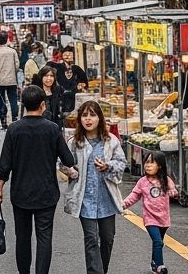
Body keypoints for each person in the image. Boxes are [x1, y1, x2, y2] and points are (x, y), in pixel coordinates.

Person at [0, 85, 79, 274]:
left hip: (20, 193)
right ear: (42, 104)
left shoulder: (14, 129)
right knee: (44, 237)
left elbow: (4, 164)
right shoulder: (52, 129)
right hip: (46, 193)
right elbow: (68, 160)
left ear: (23, 105)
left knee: (22, 237)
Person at [66, 100, 128, 274]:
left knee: (107, 239)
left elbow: (122, 162)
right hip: (84, 199)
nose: (88, 119)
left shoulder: (111, 141)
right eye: (84, 115)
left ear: (99, 118)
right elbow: (63, 162)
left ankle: (102, 270)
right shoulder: (74, 142)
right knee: (92, 239)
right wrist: (71, 170)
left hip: (106, 199)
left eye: (92, 115)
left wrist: (107, 166)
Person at [122, 151, 180, 274]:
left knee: (159, 243)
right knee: (157, 241)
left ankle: (154, 264)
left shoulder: (166, 180)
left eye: (152, 163)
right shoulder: (142, 182)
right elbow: (134, 195)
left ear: (160, 165)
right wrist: (123, 204)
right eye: (146, 163)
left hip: (164, 219)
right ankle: (160, 266)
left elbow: (173, 190)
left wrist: (173, 193)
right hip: (150, 219)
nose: (148, 165)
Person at [0, 33, 21, 125]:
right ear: (7, 39)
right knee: (13, 100)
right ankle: (15, 119)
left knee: (1, 101)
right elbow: (17, 66)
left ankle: (3, 120)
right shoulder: (12, 52)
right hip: (12, 80)